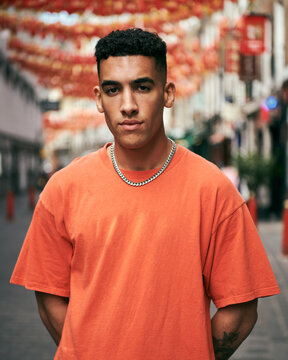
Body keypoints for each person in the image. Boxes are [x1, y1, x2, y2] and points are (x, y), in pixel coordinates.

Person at [11, 28, 280, 360]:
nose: (128, 105)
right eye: (113, 90)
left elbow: (239, 309)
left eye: (142, 87)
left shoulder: (213, 190)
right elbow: (49, 294)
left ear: (167, 93)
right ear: (98, 98)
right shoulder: (64, 189)